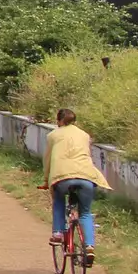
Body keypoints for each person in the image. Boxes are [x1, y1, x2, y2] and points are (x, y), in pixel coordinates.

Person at [39, 107, 110, 256]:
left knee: (59, 200)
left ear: (58, 121)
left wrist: (46, 180)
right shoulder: (84, 135)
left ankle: (58, 232)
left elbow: (48, 159)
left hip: (63, 177)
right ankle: (90, 246)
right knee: (85, 213)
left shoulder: (53, 135)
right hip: (86, 177)